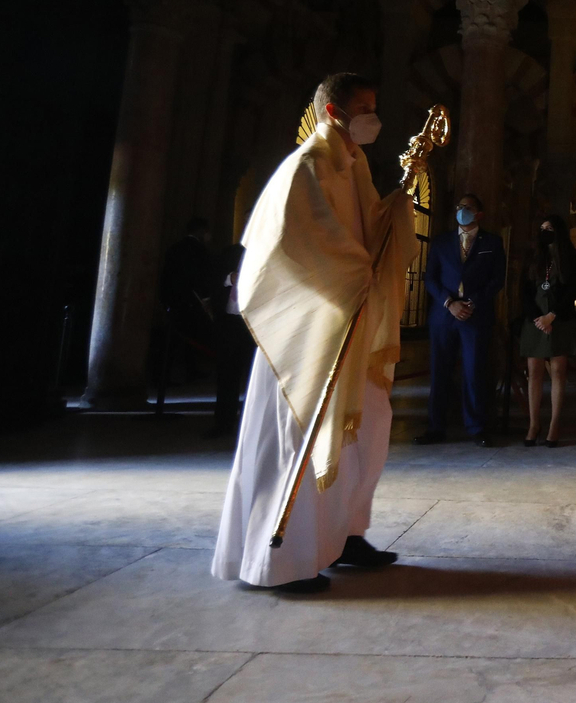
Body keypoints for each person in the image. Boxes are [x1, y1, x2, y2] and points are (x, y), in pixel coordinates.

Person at [212, 72, 415, 593]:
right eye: (364, 108)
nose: (374, 117)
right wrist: (355, 274)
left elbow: (369, 230)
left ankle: (342, 534)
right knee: (295, 444)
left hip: (352, 325)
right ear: (333, 113)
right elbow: (297, 244)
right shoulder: (306, 168)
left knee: (363, 434)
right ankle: (275, 561)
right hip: (308, 340)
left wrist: (397, 205)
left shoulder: (354, 166)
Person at [419, 193, 507, 447]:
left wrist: (473, 302)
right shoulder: (442, 242)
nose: (462, 210)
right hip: (444, 315)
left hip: (475, 315)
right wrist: (449, 303)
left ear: (479, 213)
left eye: (467, 207)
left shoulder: (492, 242)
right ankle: (435, 427)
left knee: (474, 371)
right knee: (440, 371)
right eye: (459, 206)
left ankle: (476, 426)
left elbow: (496, 279)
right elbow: (430, 278)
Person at [518, 214, 576, 447]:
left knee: (558, 371)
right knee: (534, 371)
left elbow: (571, 290)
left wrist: (552, 315)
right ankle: (534, 423)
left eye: (550, 228)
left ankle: (554, 423)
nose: (545, 232)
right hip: (535, 319)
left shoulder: (570, 257)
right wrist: (537, 317)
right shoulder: (533, 256)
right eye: (542, 228)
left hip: (559, 318)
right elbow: (524, 289)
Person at [159, 216, 217, 385]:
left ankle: (171, 373)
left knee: (177, 337)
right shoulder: (200, 251)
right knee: (190, 336)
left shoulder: (174, 248)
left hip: (174, 300)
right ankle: (188, 372)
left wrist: (165, 299)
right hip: (192, 302)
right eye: (207, 232)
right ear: (201, 231)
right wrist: (206, 300)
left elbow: (166, 277)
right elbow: (201, 278)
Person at [205, 243, 254, 439]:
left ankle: (250, 429)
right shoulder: (230, 252)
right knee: (226, 376)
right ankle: (223, 424)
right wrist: (229, 278)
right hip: (229, 323)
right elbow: (211, 277)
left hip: (253, 324)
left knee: (253, 378)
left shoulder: (270, 248)